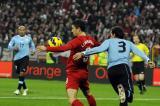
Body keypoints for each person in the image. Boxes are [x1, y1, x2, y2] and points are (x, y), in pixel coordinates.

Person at [73, 26, 155, 106]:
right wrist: (148, 60)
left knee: (122, 98)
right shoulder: (128, 43)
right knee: (129, 96)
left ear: (114, 34)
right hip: (123, 68)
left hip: (111, 70)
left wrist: (83, 53)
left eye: (111, 34)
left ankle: (124, 94)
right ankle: (126, 93)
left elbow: (99, 49)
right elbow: (139, 52)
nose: (110, 35)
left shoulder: (109, 41)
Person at [37, 20, 98, 106]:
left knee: (72, 100)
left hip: (74, 72)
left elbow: (63, 48)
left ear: (78, 29)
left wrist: (46, 48)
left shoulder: (77, 40)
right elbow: (100, 46)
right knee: (88, 94)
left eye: (73, 28)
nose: (71, 30)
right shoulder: (91, 40)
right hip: (84, 72)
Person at [8, 25, 35, 96]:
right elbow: (9, 46)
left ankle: (18, 90)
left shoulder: (28, 38)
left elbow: (32, 45)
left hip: (25, 58)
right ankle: (25, 89)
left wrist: (33, 51)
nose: (22, 31)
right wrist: (14, 48)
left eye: (23, 30)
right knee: (20, 76)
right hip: (16, 59)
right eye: (20, 29)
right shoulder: (14, 38)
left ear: (25, 30)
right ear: (18, 30)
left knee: (22, 73)